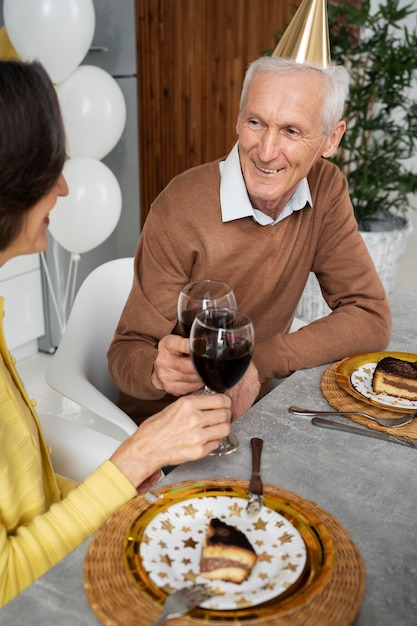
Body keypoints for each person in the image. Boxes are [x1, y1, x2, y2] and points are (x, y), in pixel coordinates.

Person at [0, 59, 232, 607]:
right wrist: (132, 458)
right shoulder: (181, 206)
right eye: (48, 171)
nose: (62, 188)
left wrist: (121, 486)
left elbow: (28, 491)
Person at [107, 53, 391, 426]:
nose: (267, 151)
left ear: (330, 139)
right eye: (256, 123)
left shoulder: (326, 188)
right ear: (239, 118)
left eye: (291, 131)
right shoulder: (181, 207)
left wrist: (261, 361)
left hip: (255, 409)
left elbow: (369, 316)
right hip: (170, 425)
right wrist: (157, 372)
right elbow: (126, 354)